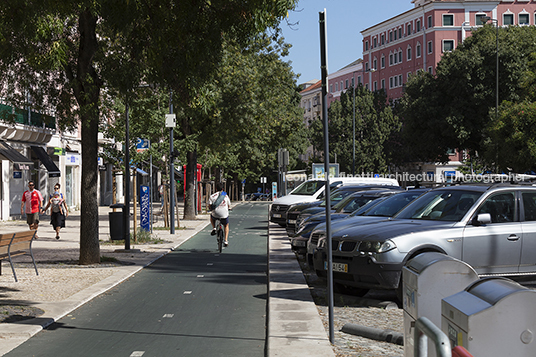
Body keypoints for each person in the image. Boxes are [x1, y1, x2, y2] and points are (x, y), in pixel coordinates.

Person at [209, 183, 231, 247]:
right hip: (224, 214)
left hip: (215, 214)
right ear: (222, 189)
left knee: (212, 217)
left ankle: (214, 228)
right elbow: (229, 205)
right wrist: (229, 208)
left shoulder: (212, 196)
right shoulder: (225, 195)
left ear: (216, 189)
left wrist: (210, 209)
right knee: (226, 225)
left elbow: (209, 205)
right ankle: (226, 240)